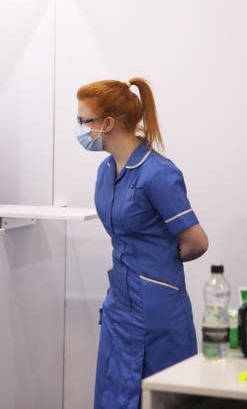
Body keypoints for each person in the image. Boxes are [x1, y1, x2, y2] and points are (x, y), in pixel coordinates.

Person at [75, 78, 209, 409]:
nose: (78, 129)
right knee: (114, 396)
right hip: (119, 303)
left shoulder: (158, 173)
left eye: (83, 121)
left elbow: (196, 241)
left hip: (157, 308)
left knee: (160, 398)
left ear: (107, 123)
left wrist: (159, 259)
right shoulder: (106, 171)